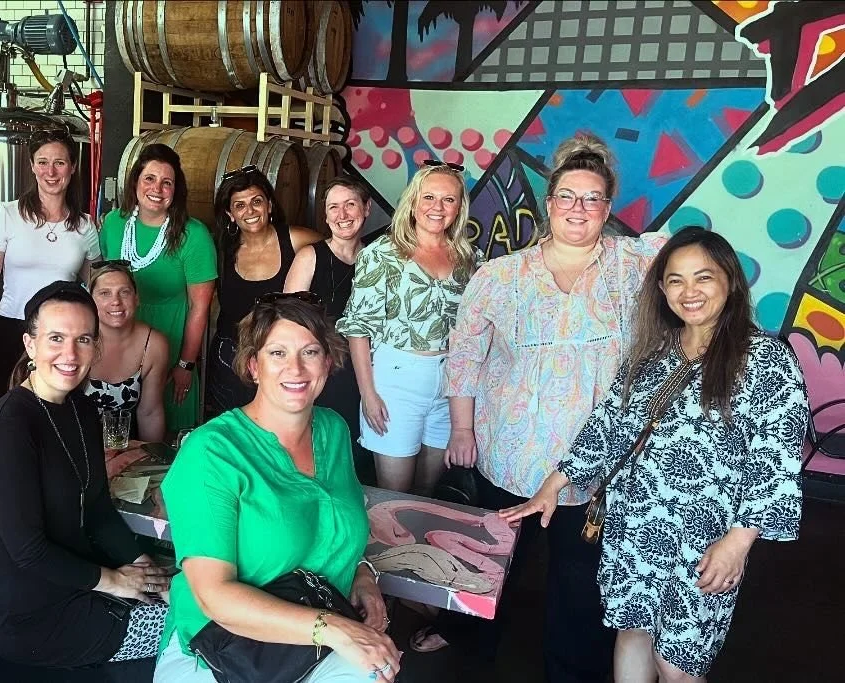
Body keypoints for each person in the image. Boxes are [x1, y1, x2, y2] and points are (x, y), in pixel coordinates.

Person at [502, 227, 808, 683]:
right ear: (662, 289)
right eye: (676, 280)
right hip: (633, 525)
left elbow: (776, 461)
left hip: (703, 539)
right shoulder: (654, 351)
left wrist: (739, 543)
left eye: (703, 278)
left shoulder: (763, 358)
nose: (690, 292)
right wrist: (558, 481)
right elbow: (611, 422)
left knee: (678, 665)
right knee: (632, 632)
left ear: (730, 282)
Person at [435, 133, 666, 678]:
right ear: (549, 202)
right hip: (511, 448)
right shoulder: (501, 275)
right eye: (567, 196)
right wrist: (462, 429)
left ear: (609, 209)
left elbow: (697, 276)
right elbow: (465, 355)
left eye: (592, 199)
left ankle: (571, 670)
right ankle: (469, 642)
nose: (578, 209)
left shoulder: (636, 265)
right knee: (494, 559)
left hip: (596, 459)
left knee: (579, 577)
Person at [155, 292, 398, 683]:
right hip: (223, 650)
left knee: (380, 669)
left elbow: (335, 529)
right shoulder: (212, 452)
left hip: (313, 637)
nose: (296, 369)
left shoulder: (333, 430)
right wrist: (338, 630)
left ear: (329, 361)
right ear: (253, 366)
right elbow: (214, 596)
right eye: (278, 353)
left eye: (311, 352)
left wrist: (363, 574)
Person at [0, 280, 171, 667]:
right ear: (30, 345)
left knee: (189, 595)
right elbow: (28, 550)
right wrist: (117, 581)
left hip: (87, 583)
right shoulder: (9, 425)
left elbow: (96, 506)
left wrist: (144, 567)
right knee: (191, 624)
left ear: (96, 346)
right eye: (56, 338)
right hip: (33, 617)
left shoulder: (81, 409)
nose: (70, 353)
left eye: (83, 339)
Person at [336, 162, 480, 494]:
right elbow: (357, 328)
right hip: (397, 380)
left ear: (459, 208)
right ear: (413, 202)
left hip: (449, 384)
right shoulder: (383, 254)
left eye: (449, 199)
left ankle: (419, 548)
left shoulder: (467, 257)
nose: (438, 207)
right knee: (394, 494)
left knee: (426, 493)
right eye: (429, 197)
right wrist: (368, 394)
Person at [0, 128, 99, 404]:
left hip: (62, 337)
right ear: (32, 166)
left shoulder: (85, 226)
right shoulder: (6, 215)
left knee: (54, 414)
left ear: (72, 167)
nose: (51, 171)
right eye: (43, 162)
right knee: (6, 412)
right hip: (12, 330)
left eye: (59, 162)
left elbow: (96, 288)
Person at [100, 144, 217, 434]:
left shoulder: (194, 235)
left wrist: (185, 365)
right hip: (119, 349)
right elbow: (102, 284)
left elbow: (200, 308)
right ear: (136, 182)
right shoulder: (114, 223)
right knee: (117, 439)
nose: (157, 188)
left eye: (167, 182)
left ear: (176, 190)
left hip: (172, 347)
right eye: (149, 179)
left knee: (166, 442)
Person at [205, 166, 321, 416]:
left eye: (256, 201)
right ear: (230, 214)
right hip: (231, 359)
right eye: (240, 205)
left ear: (269, 205)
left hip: (283, 359)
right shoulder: (221, 250)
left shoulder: (298, 239)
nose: (250, 211)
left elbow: (340, 257)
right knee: (234, 436)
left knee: (280, 429)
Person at [284, 175, 373, 482]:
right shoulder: (311, 256)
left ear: (367, 208)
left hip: (370, 371)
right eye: (333, 207)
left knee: (360, 452)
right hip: (322, 369)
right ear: (325, 215)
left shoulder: (379, 258)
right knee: (320, 449)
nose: (342, 214)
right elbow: (288, 322)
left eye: (350, 204)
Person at [84, 261, 170, 443]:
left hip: (122, 448)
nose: (116, 301)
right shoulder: (78, 340)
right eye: (105, 293)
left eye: (124, 292)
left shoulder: (153, 344)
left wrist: (150, 460)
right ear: (90, 300)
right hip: (74, 445)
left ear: (136, 298)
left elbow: (150, 412)